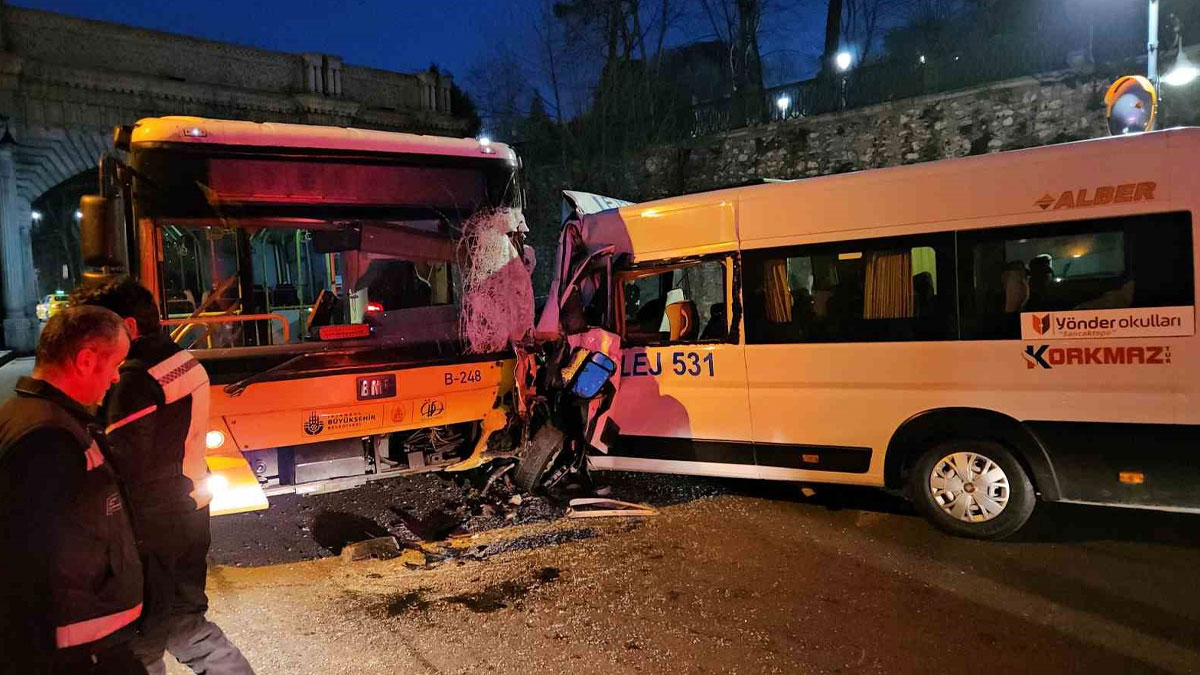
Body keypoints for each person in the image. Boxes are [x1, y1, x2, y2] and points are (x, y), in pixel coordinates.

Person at [70, 279, 254, 675]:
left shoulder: (135, 380)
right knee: (183, 623)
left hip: (152, 527)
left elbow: (121, 464)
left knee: (140, 642)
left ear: (129, 327)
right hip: (189, 511)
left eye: (97, 328)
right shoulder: (181, 360)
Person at [0, 306, 144, 675]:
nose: (115, 379)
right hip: (74, 652)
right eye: (115, 365)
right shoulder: (48, 439)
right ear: (85, 360)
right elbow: (22, 561)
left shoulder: (30, 416)